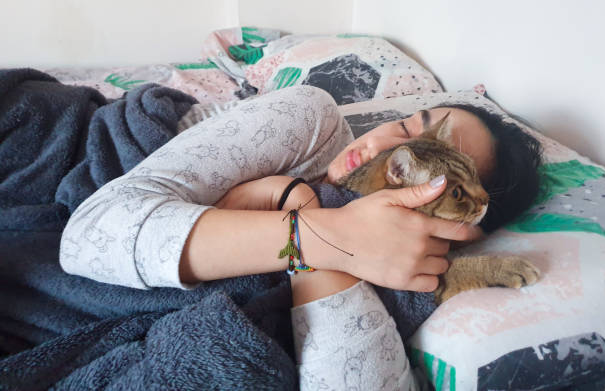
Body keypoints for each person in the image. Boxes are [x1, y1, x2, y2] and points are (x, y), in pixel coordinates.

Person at [59, 85, 541, 389]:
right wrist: (322, 230)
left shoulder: (407, 275)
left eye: (435, 181)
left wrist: (321, 246)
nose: (386, 153)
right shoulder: (313, 122)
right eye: (407, 128)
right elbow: (85, 239)